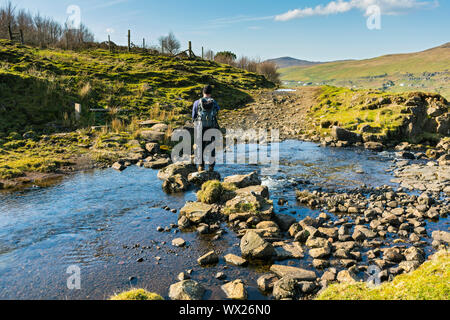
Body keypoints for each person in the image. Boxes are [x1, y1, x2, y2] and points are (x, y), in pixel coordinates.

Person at [192, 85, 220, 172]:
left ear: (203, 92)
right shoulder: (214, 102)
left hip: (200, 127)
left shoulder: (197, 102)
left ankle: (201, 166)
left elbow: (194, 116)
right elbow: (217, 111)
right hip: (211, 126)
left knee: (200, 146)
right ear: (210, 93)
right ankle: (211, 166)